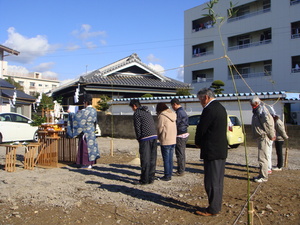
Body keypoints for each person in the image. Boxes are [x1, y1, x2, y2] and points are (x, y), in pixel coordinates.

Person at [194, 88, 228, 216]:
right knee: (218, 180)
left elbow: (201, 129)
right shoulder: (220, 107)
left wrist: (198, 142)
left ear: (206, 97)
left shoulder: (209, 110)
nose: (200, 102)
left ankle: (213, 208)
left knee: (211, 181)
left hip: (212, 150)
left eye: (200, 99)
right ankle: (216, 205)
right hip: (220, 149)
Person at [67, 94, 100, 169]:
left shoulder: (85, 111)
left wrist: (70, 113)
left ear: (86, 103)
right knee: (91, 148)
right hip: (91, 131)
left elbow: (77, 118)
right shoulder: (94, 110)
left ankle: (86, 164)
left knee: (85, 148)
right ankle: (90, 163)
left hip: (86, 132)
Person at [129, 99, 158, 185]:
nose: (132, 109)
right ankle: (151, 178)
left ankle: (144, 179)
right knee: (152, 158)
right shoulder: (147, 111)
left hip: (145, 138)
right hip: (154, 136)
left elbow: (137, 128)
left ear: (134, 106)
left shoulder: (137, 113)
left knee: (145, 159)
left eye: (132, 107)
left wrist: (139, 138)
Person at [250, 96, 276, 182]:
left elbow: (269, 123)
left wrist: (271, 134)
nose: (252, 106)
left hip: (264, 137)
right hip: (260, 137)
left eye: (253, 104)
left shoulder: (262, 111)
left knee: (262, 157)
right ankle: (262, 174)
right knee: (262, 157)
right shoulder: (257, 111)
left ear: (257, 103)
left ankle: (264, 176)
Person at [156, 103, 177, 181]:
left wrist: (158, 136)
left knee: (166, 159)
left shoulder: (162, 116)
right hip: (173, 139)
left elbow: (159, 128)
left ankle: (167, 175)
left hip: (165, 139)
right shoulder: (173, 114)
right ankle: (170, 173)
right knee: (170, 158)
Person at [170, 98, 189, 176]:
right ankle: (181, 169)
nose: (172, 108)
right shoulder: (183, 112)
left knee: (180, 153)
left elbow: (177, 124)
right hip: (184, 133)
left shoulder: (179, 112)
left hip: (180, 134)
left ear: (175, 104)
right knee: (182, 153)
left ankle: (180, 170)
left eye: (172, 106)